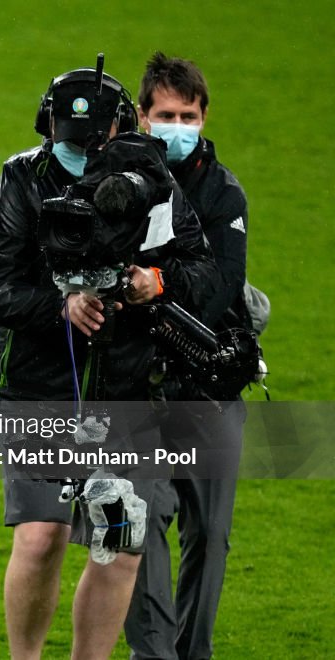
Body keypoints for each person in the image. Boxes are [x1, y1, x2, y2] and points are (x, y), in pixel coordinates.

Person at [0, 61, 219, 659]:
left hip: (125, 389)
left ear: (117, 129)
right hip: (37, 388)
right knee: (42, 537)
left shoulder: (156, 184)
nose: (79, 150)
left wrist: (154, 283)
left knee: (117, 542)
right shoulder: (21, 180)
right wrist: (59, 307)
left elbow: (203, 271)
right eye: (67, 138)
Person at [125, 52, 251, 660]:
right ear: (142, 118)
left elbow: (222, 286)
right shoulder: (118, 181)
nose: (178, 125)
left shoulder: (224, 193)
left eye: (189, 115)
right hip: (135, 385)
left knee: (212, 532)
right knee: (136, 523)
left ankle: (191, 651)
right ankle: (154, 655)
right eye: (166, 114)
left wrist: (156, 281)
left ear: (203, 118)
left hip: (208, 386)